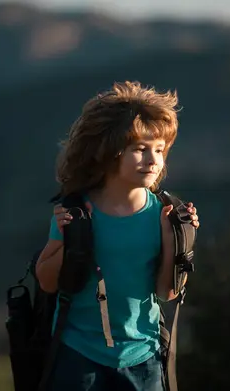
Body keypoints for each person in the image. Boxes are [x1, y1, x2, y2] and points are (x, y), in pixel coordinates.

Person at [35, 81, 200, 391]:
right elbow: (46, 281)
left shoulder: (165, 214)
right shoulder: (76, 210)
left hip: (143, 359)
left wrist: (176, 238)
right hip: (78, 356)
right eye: (140, 149)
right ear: (109, 152)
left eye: (160, 150)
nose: (153, 160)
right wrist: (71, 238)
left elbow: (168, 293)